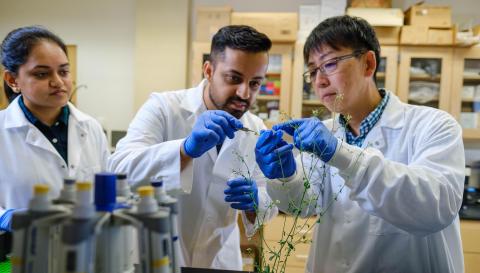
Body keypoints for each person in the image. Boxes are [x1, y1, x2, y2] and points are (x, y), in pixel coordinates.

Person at [255, 15, 465, 273]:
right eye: (312, 71)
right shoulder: (327, 133)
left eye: (329, 64)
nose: (319, 81)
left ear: (368, 63)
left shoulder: (434, 125)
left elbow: (435, 208)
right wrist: (285, 175)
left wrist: (341, 155)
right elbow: (305, 203)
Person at [108, 25, 278, 270]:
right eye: (234, 78)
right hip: (157, 256)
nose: (244, 93)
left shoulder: (256, 128)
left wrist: (255, 202)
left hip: (219, 261)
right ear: (209, 70)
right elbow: (117, 170)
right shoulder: (164, 108)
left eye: (255, 83)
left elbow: (266, 197)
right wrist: (184, 150)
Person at [0, 26, 110, 232]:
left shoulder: (91, 128)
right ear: (13, 80)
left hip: (87, 251)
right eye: (42, 74)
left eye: (64, 71)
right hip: (18, 254)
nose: (58, 82)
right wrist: (4, 217)